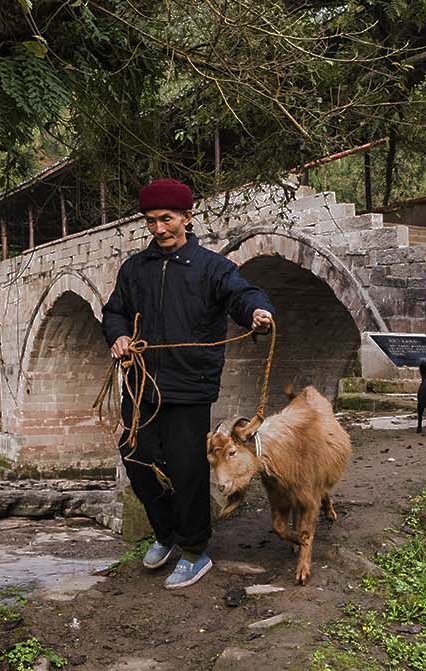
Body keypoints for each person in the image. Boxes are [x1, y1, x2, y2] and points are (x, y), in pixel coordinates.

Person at [101, 178, 275, 590]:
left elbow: (243, 295)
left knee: (187, 469)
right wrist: (119, 336)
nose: (159, 229)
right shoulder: (134, 269)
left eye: (167, 219)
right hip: (143, 384)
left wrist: (259, 313)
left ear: (186, 217)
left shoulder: (213, 268)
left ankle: (196, 550)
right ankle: (166, 534)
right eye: (151, 221)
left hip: (191, 384)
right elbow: (115, 312)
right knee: (137, 459)